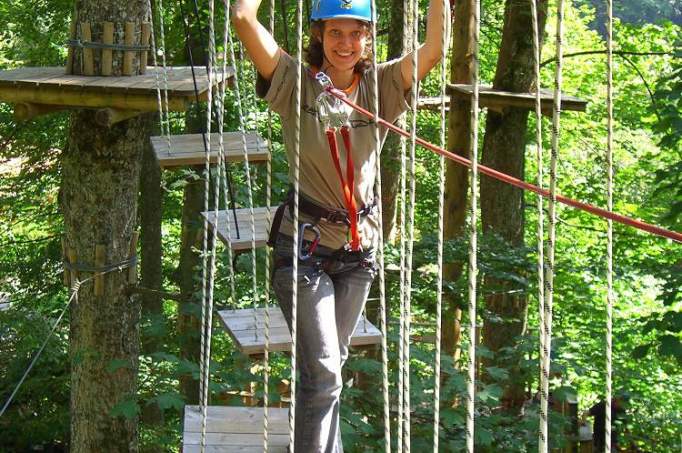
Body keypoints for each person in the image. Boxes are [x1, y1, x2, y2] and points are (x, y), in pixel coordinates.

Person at [232, 0, 449, 450]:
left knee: (327, 369)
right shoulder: (295, 83)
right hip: (304, 252)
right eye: (335, 33)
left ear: (368, 37)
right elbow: (243, 19)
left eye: (355, 34)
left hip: (358, 256)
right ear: (318, 35)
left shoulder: (382, 86)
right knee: (326, 370)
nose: (345, 44)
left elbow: (433, 48)